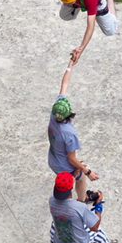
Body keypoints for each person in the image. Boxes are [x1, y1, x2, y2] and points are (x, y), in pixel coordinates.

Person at [37, 0, 119, 65]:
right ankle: (77, 3)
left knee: (110, 31)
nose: (66, 4)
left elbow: (90, 26)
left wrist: (81, 49)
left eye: (68, 2)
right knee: (64, 16)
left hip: (96, 0)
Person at [47, 56, 99, 203]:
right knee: (81, 179)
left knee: (77, 170)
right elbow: (71, 158)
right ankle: (82, 201)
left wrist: (70, 65)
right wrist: (87, 171)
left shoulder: (53, 114)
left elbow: (64, 85)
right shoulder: (69, 133)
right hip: (64, 165)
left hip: (53, 158)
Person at [49, 171, 111, 243]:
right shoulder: (80, 207)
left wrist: (74, 174)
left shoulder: (52, 200)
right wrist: (98, 205)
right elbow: (94, 227)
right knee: (99, 233)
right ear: (71, 187)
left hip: (60, 241)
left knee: (54, 226)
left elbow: (68, 208)